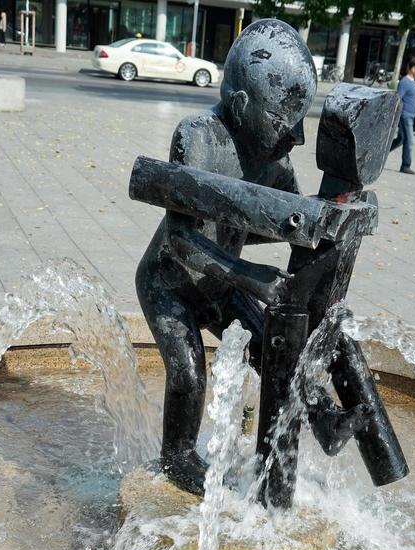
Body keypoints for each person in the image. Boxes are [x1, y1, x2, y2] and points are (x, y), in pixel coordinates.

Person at [135, 19, 371, 495]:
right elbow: (181, 239)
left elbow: (289, 225)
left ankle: (325, 422)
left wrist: (331, 226)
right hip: (169, 284)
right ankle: (177, 456)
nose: (297, 140)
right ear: (242, 106)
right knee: (186, 371)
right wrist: (253, 276)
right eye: (286, 122)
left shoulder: (274, 160)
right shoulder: (198, 137)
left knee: (272, 349)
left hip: (223, 286)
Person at [389, 57, 415, 175]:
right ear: (413, 69)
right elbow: (398, 98)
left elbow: (409, 97)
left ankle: (382, 152)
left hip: (411, 116)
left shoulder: (413, 82)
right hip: (405, 116)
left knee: (401, 140)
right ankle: (405, 165)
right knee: (409, 141)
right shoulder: (404, 82)